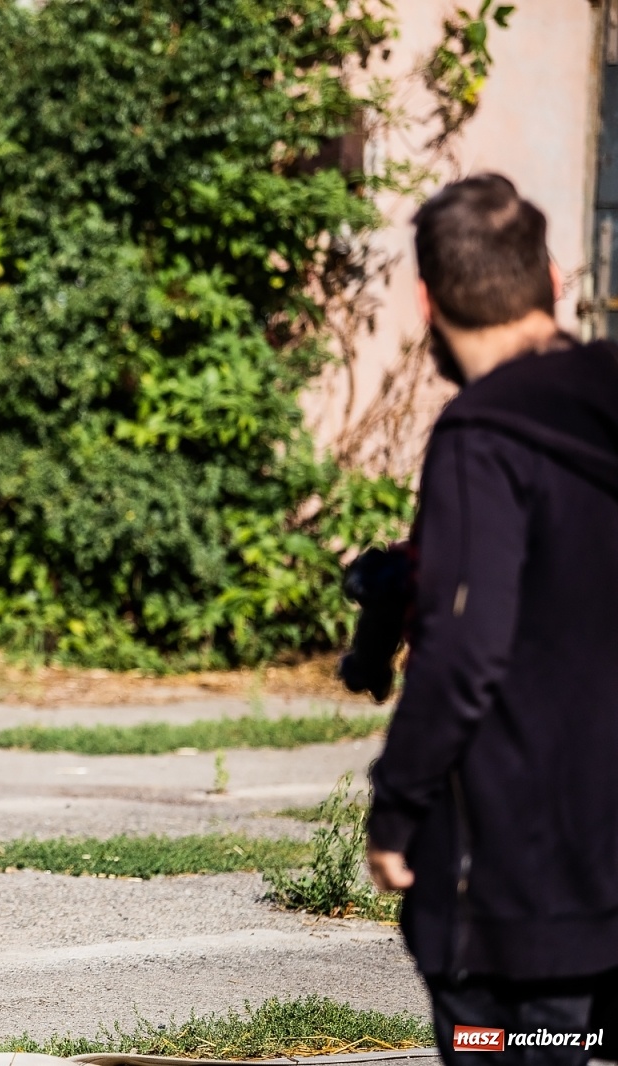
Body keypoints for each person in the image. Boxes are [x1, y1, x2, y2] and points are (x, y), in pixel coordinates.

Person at [364, 173, 618, 1065]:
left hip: (524, 890)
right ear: (554, 277)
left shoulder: (485, 438)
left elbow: (466, 649)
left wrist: (396, 810)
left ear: (430, 300)